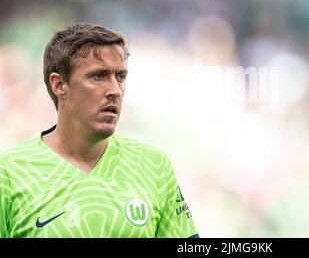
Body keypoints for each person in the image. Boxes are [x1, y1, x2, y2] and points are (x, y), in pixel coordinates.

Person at [0, 23, 198, 238]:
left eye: (120, 77)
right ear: (59, 85)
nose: (115, 90)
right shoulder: (8, 173)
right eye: (98, 76)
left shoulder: (154, 164)